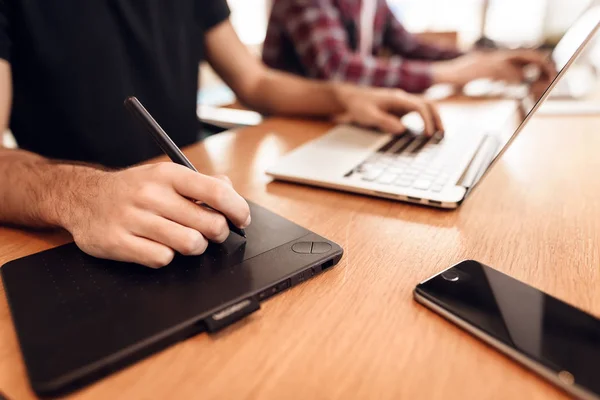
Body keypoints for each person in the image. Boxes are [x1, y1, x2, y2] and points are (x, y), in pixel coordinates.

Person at [0, 0, 445, 269]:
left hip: (198, 204)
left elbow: (254, 82)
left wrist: (345, 98)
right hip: (66, 236)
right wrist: (80, 195)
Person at [263, 0, 555, 93]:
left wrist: (484, 60)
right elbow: (337, 69)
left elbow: (409, 45)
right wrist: (449, 74)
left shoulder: (371, 4)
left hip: (344, 119)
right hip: (292, 127)